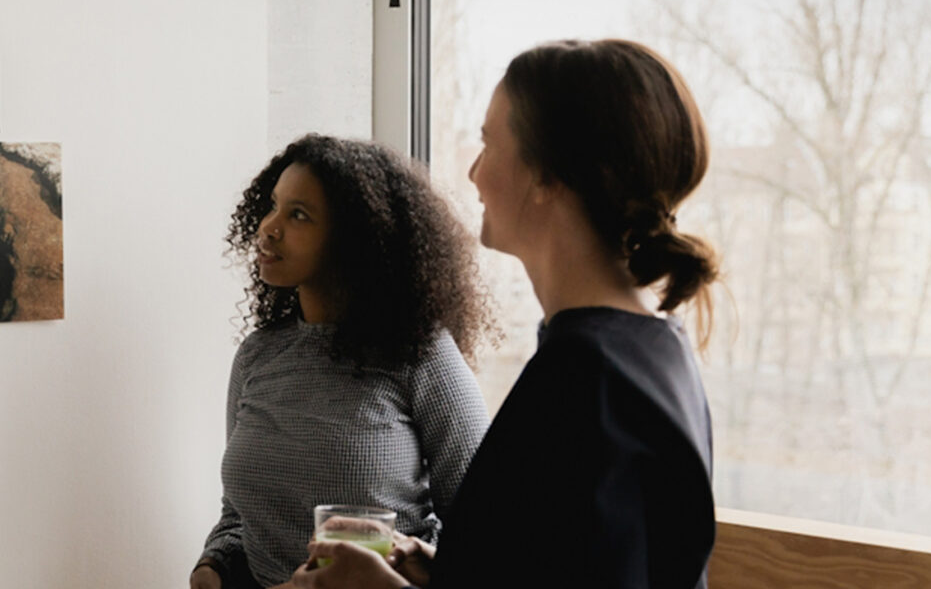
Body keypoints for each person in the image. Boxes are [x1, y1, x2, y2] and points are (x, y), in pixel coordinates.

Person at [294, 39, 720, 589]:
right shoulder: (650, 348)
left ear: (547, 176)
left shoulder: (587, 376)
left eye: (489, 143)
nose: (473, 173)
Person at [194, 136, 498, 589]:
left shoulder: (421, 355)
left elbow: (487, 531)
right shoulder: (257, 355)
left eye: (298, 215)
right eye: (273, 206)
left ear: (354, 239)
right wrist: (211, 566)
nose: (268, 228)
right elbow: (237, 516)